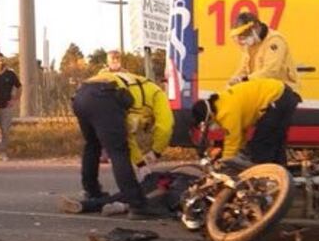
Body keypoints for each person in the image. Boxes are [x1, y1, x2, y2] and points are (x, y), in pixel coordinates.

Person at [64, 70, 174, 219]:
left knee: (93, 145)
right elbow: (166, 126)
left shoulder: (133, 93)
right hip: (104, 95)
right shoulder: (157, 94)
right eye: (148, 125)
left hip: (82, 95)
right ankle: (138, 205)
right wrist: (156, 152)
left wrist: (141, 163)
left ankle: (92, 191)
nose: (147, 127)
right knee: (118, 151)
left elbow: (127, 136)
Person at [192, 78, 301, 167]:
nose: (211, 127)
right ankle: (281, 172)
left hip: (277, 96)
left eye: (209, 123)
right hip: (282, 94)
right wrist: (240, 152)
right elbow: (241, 135)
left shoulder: (227, 113)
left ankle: (262, 174)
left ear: (210, 115)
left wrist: (226, 162)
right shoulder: (221, 103)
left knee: (261, 142)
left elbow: (232, 141)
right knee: (276, 139)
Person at [228, 11, 298, 87]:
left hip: (283, 91)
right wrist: (234, 81)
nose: (242, 38)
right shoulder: (251, 46)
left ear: (256, 26)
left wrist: (245, 80)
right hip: (264, 90)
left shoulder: (275, 41)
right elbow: (244, 69)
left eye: (245, 33)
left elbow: (271, 71)